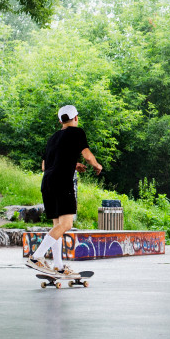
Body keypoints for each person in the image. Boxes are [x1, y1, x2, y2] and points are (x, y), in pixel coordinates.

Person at [27, 104, 103, 276]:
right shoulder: (77, 132)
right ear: (75, 118)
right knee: (67, 224)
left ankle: (59, 266)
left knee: (58, 226)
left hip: (47, 182)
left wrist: (73, 165)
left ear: (61, 120)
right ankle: (36, 256)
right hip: (62, 183)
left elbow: (45, 165)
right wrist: (97, 165)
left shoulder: (53, 138)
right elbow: (87, 155)